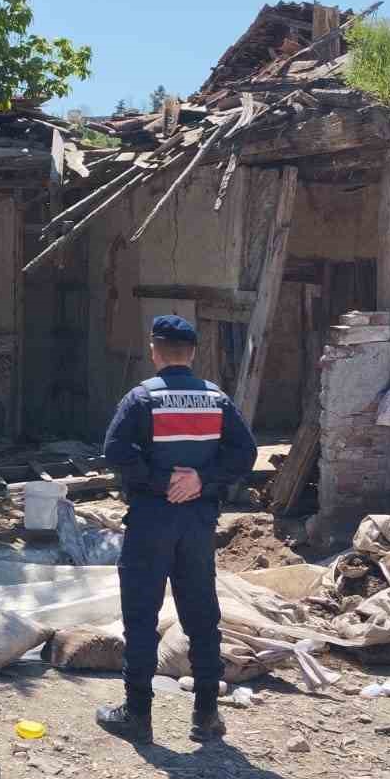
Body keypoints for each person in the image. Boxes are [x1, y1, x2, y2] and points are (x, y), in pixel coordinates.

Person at [95, 315, 257, 744]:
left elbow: (114, 450)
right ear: (193, 352)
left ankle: (137, 714)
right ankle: (206, 715)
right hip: (198, 522)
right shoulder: (217, 399)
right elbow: (246, 453)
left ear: (154, 349)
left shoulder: (141, 398)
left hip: (152, 518)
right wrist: (202, 480)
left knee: (141, 617)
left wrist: (158, 480)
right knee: (202, 616)